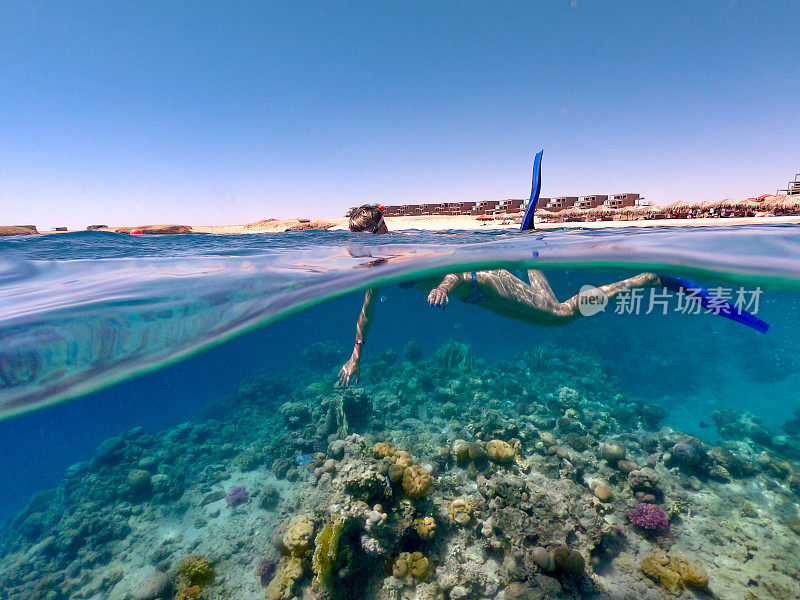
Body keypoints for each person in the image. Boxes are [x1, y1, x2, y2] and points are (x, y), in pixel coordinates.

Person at [337, 205, 662, 387]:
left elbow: (455, 272)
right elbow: (366, 312)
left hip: (483, 283)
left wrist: (442, 288)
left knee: (561, 315)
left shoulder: (405, 253)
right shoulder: (378, 264)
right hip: (480, 295)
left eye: (369, 239)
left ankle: (648, 278)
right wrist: (356, 356)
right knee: (547, 304)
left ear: (381, 229)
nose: (367, 249)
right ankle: (531, 249)